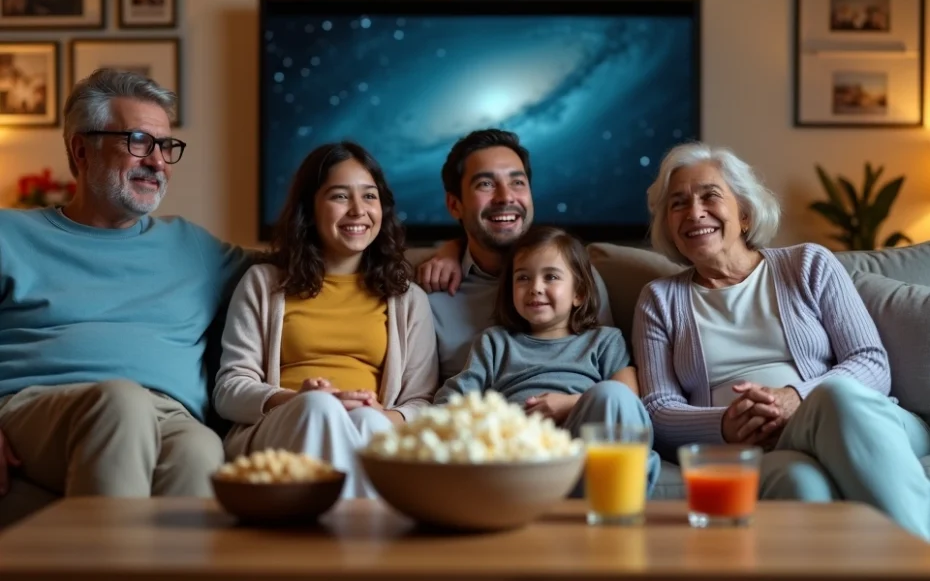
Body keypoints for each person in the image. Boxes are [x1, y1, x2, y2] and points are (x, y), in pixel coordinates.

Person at [633, 141, 930, 539]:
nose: (694, 212)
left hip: (857, 421)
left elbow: (870, 362)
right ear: (669, 226)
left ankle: (917, 558)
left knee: (835, 397)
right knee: (800, 483)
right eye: (678, 204)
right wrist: (725, 424)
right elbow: (658, 408)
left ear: (743, 212)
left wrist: (795, 398)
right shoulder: (659, 299)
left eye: (710, 196)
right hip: (753, 449)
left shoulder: (808, 264)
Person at [0, 68, 249, 502]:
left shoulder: (193, 247)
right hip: (39, 407)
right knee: (122, 403)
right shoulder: (10, 234)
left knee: (200, 448)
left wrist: (411, 265)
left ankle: (162, 574)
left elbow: (306, 265)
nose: (157, 161)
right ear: (82, 151)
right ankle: (108, 571)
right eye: (138, 142)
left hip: (169, 415)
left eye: (166, 146)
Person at [214, 142, 438, 498]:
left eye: (369, 196)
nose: (358, 211)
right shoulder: (264, 284)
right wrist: (293, 399)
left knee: (367, 422)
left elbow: (422, 402)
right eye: (339, 196)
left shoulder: (409, 299)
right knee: (321, 408)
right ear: (309, 209)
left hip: (368, 429)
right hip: (281, 429)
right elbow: (229, 390)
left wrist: (385, 414)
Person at [434, 226, 661, 493]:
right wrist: (502, 423)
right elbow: (452, 402)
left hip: (586, 453)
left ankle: (616, 499)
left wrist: (570, 404)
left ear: (579, 293)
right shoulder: (495, 342)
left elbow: (627, 396)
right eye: (523, 278)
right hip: (521, 452)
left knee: (612, 395)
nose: (535, 288)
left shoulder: (603, 340)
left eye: (551, 277)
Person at [418, 129, 614, 383]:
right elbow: (420, 397)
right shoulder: (431, 292)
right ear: (455, 204)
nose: (506, 197)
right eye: (485, 184)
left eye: (517, 182)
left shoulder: (575, 275)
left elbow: (613, 372)